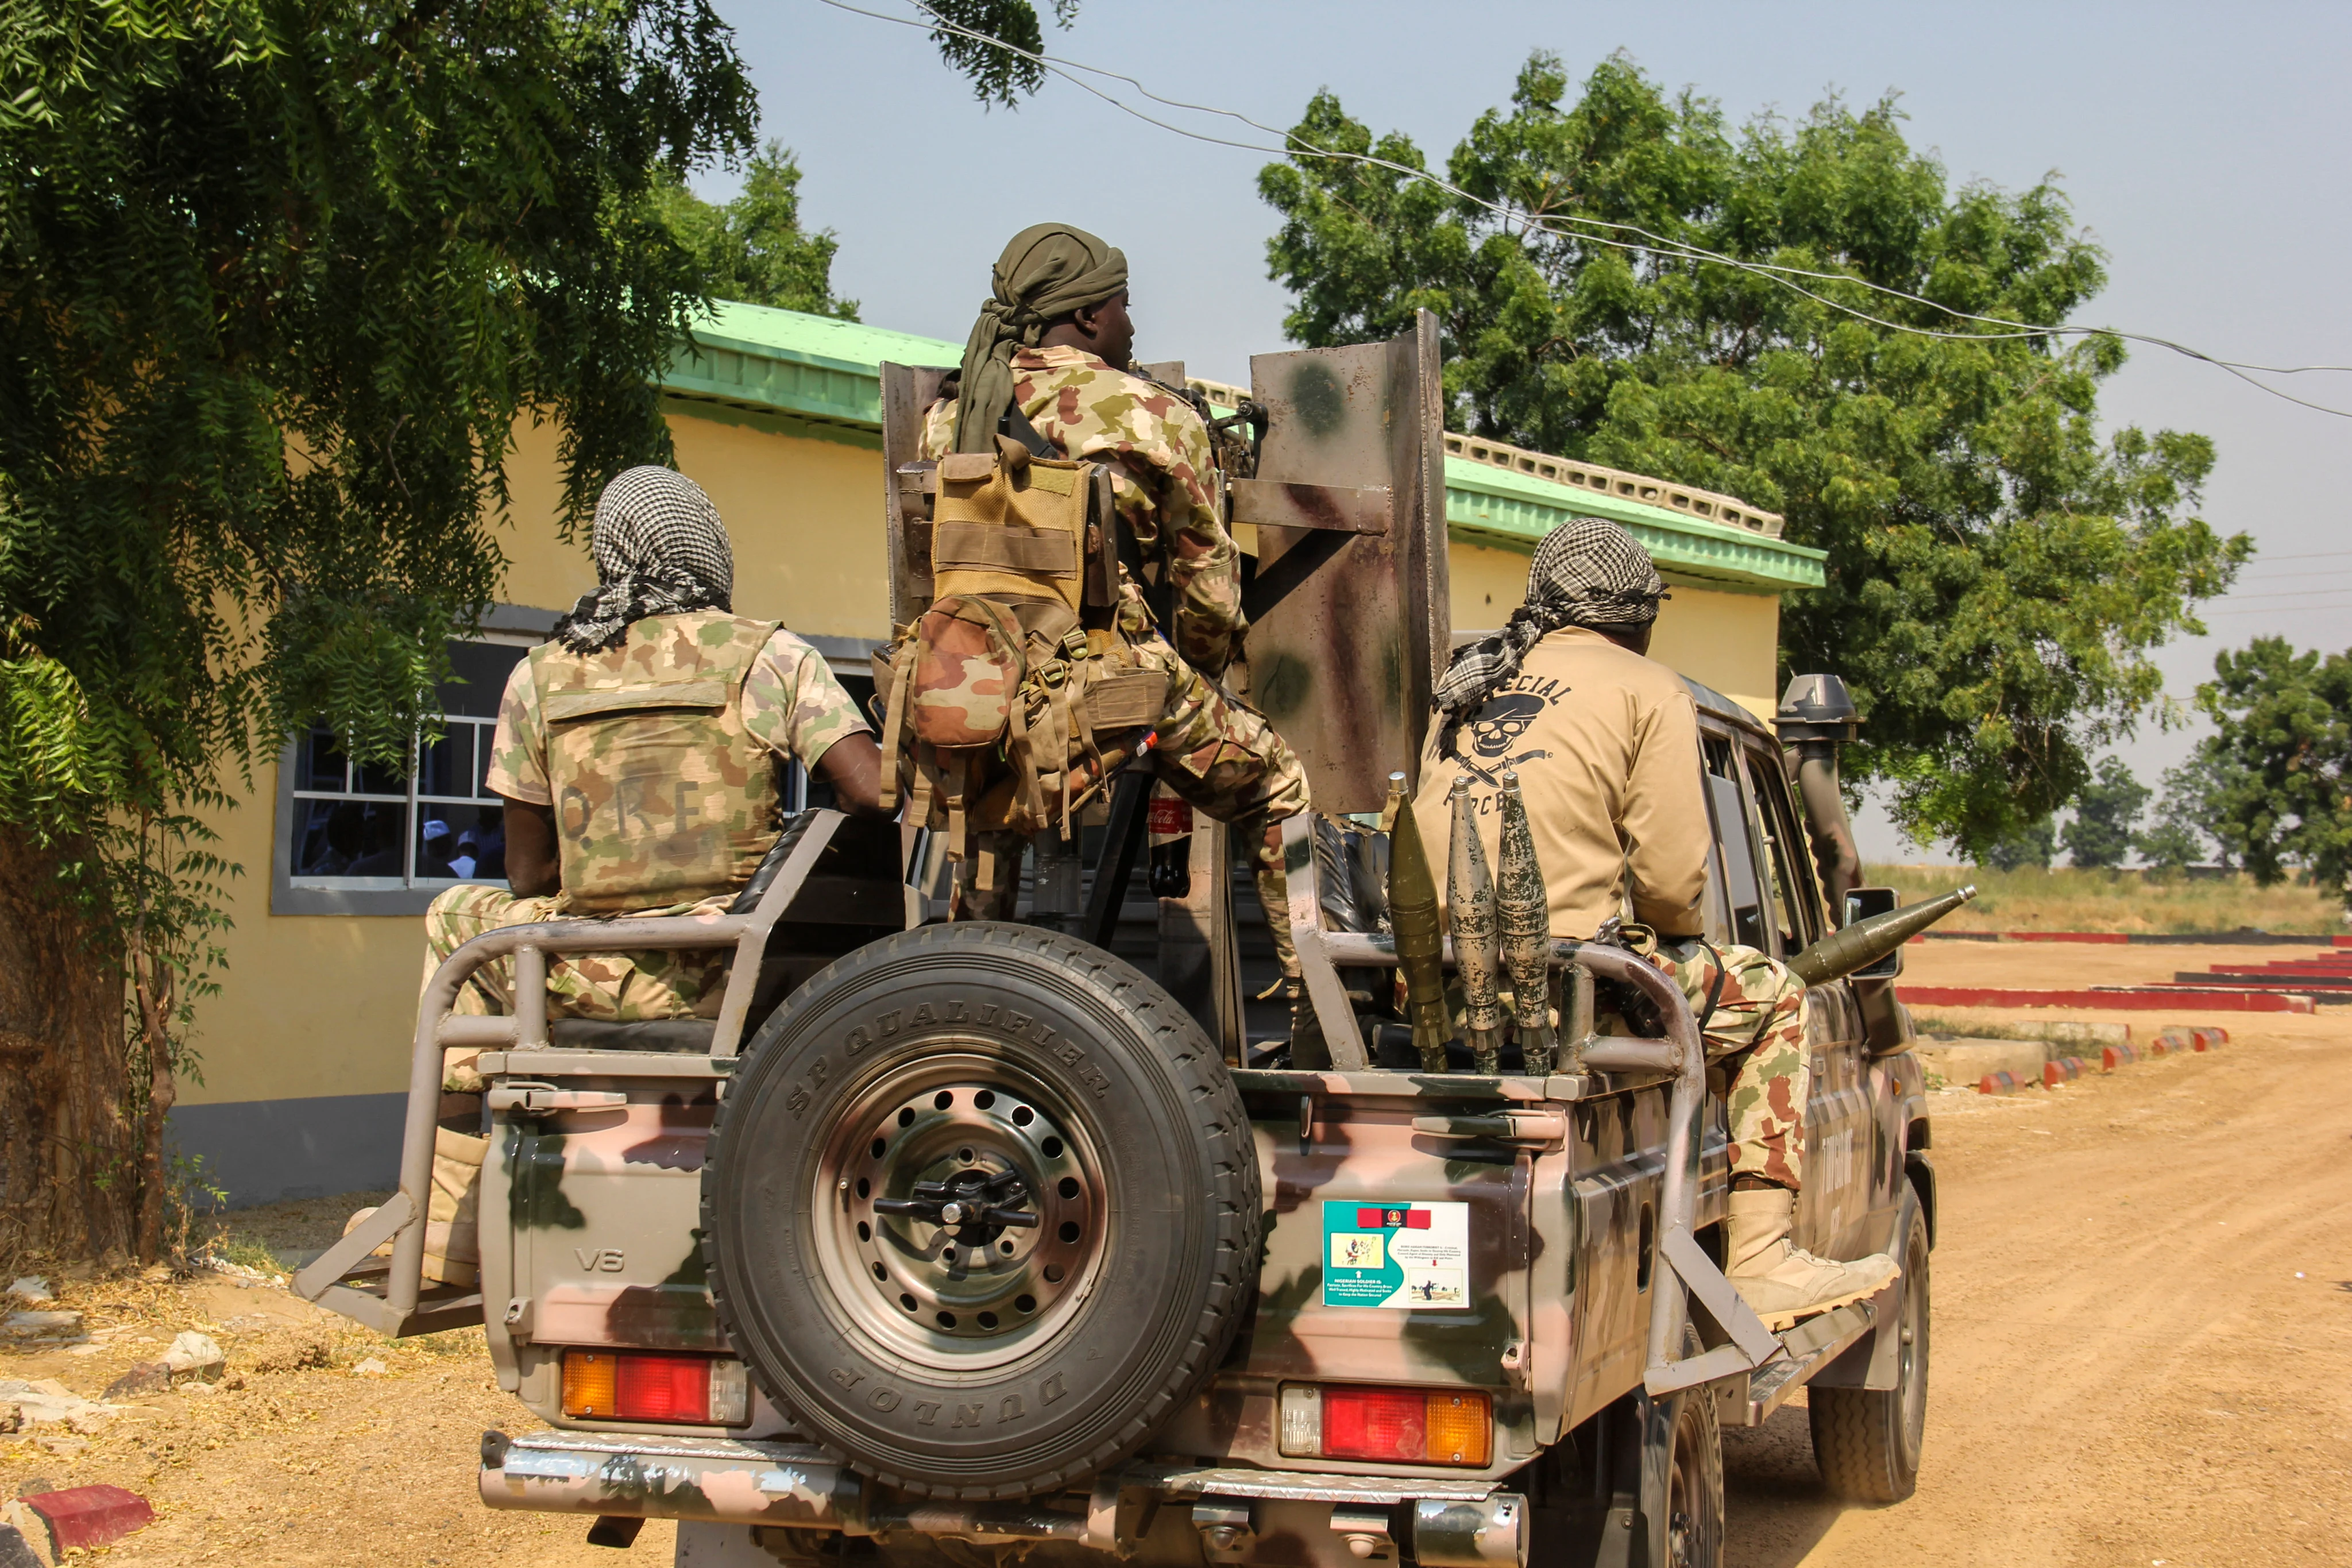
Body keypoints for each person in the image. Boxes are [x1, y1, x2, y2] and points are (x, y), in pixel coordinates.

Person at [1409, 517, 1897, 1328]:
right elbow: (1672, 887)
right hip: (1573, 991)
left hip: (1434, 988)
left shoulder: (1467, 682)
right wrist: (1669, 931)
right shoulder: (1649, 690)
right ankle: (1764, 1259)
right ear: (1641, 619)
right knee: (1773, 993)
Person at [918, 223, 1310, 995]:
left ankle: (963, 999)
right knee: (1277, 784)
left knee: (990, 821)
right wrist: (1192, 678)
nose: (1132, 324)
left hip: (976, 693)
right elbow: (1209, 588)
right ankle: (1306, 996)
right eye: (1126, 306)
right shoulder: (1151, 414)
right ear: (1091, 317)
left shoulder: (948, 417)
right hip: (1108, 688)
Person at [422, 465, 889, 1041]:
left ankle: (459, 1131)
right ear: (707, 545)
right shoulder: (769, 653)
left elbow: (527, 875)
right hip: (741, 974)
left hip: (587, 977)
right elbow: (873, 793)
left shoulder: (536, 676)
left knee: (450, 913)